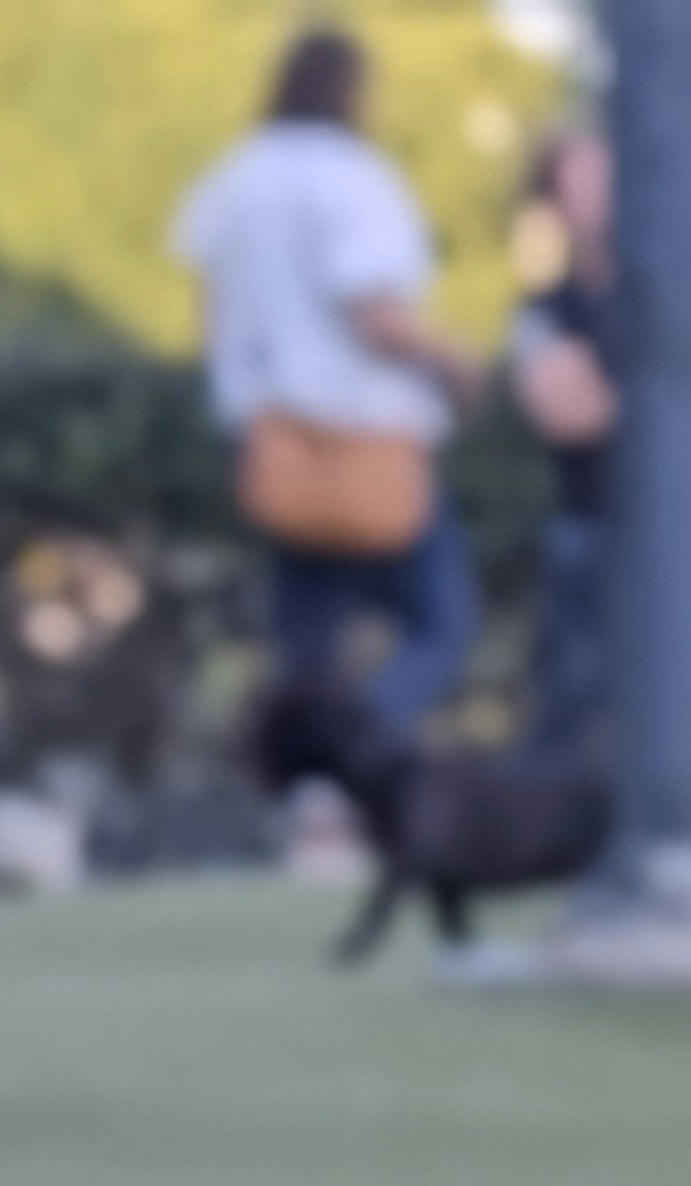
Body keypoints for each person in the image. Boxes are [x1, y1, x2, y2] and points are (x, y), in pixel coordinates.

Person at [173, 28, 482, 749]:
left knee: (307, 641)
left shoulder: (235, 178)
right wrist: (455, 364)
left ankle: (310, 783)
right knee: (442, 625)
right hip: (371, 440)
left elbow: (212, 316)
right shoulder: (353, 177)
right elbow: (378, 317)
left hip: (277, 440)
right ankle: (355, 748)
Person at [508, 126, 620, 761]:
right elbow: (570, 414)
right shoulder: (548, 311)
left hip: (689, 538)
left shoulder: (682, 294)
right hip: (595, 528)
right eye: (579, 180)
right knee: (580, 703)